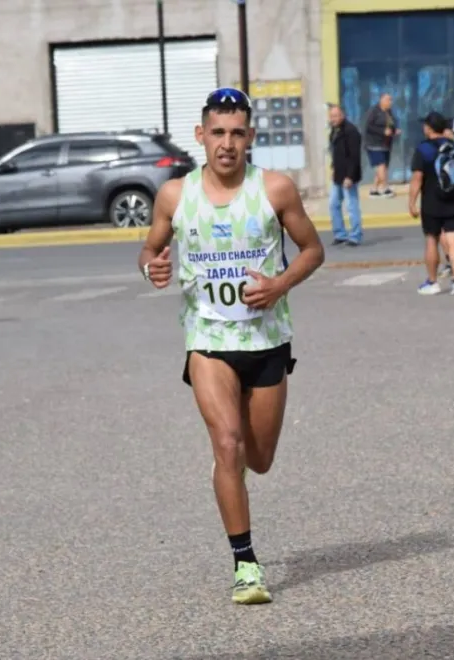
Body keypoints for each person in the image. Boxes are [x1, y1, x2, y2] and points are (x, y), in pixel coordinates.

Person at [137, 87, 325, 605]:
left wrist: (279, 285)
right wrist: (152, 267)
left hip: (265, 339)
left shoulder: (275, 189)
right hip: (208, 340)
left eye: (237, 133)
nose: (227, 144)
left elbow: (312, 250)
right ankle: (246, 565)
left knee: (258, 459)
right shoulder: (175, 196)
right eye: (217, 133)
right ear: (200, 135)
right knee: (227, 443)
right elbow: (150, 249)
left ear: (250, 137)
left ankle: (234, 469)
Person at [409, 112, 454, 295]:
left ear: (429, 128)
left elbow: (417, 178)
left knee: (431, 239)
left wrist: (411, 202)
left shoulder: (423, 149)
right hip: (453, 198)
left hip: (431, 201)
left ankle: (433, 282)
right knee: (453, 237)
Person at [327, 104, 363, 246]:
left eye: (336, 116)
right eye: (331, 116)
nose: (333, 119)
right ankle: (340, 234)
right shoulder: (334, 131)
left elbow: (354, 156)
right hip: (338, 174)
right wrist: (333, 169)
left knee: (351, 206)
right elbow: (336, 153)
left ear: (342, 115)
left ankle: (355, 235)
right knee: (333, 204)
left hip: (348, 176)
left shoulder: (351, 131)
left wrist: (350, 176)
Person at [363, 93, 400, 198]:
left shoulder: (389, 112)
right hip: (374, 144)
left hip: (386, 144)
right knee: (381, 165)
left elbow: (391, 125)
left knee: (383, 168)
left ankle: (374, 190)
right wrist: (382, 131)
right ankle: (385, 188)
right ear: (381, 100)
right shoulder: (374, 111)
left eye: (391, 100)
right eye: (388, 100)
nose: (390, 102)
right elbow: (368, 127)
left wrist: (394, 131)